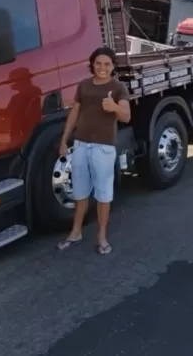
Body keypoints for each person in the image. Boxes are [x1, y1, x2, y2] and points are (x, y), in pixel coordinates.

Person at [57, 46, 130, 255]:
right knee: (80, 192)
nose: (102, 68)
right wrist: (65, 140)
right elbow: (74, 113)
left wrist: (114, 107)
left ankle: (102, 237)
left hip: (104, 149)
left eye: (107, 64)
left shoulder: (118, 88)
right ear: (92, 64)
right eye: (98, 63)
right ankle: (75, 233)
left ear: (113, 66)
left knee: (103, 194)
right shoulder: (84, 86)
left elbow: (126, 116)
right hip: (80, 145)